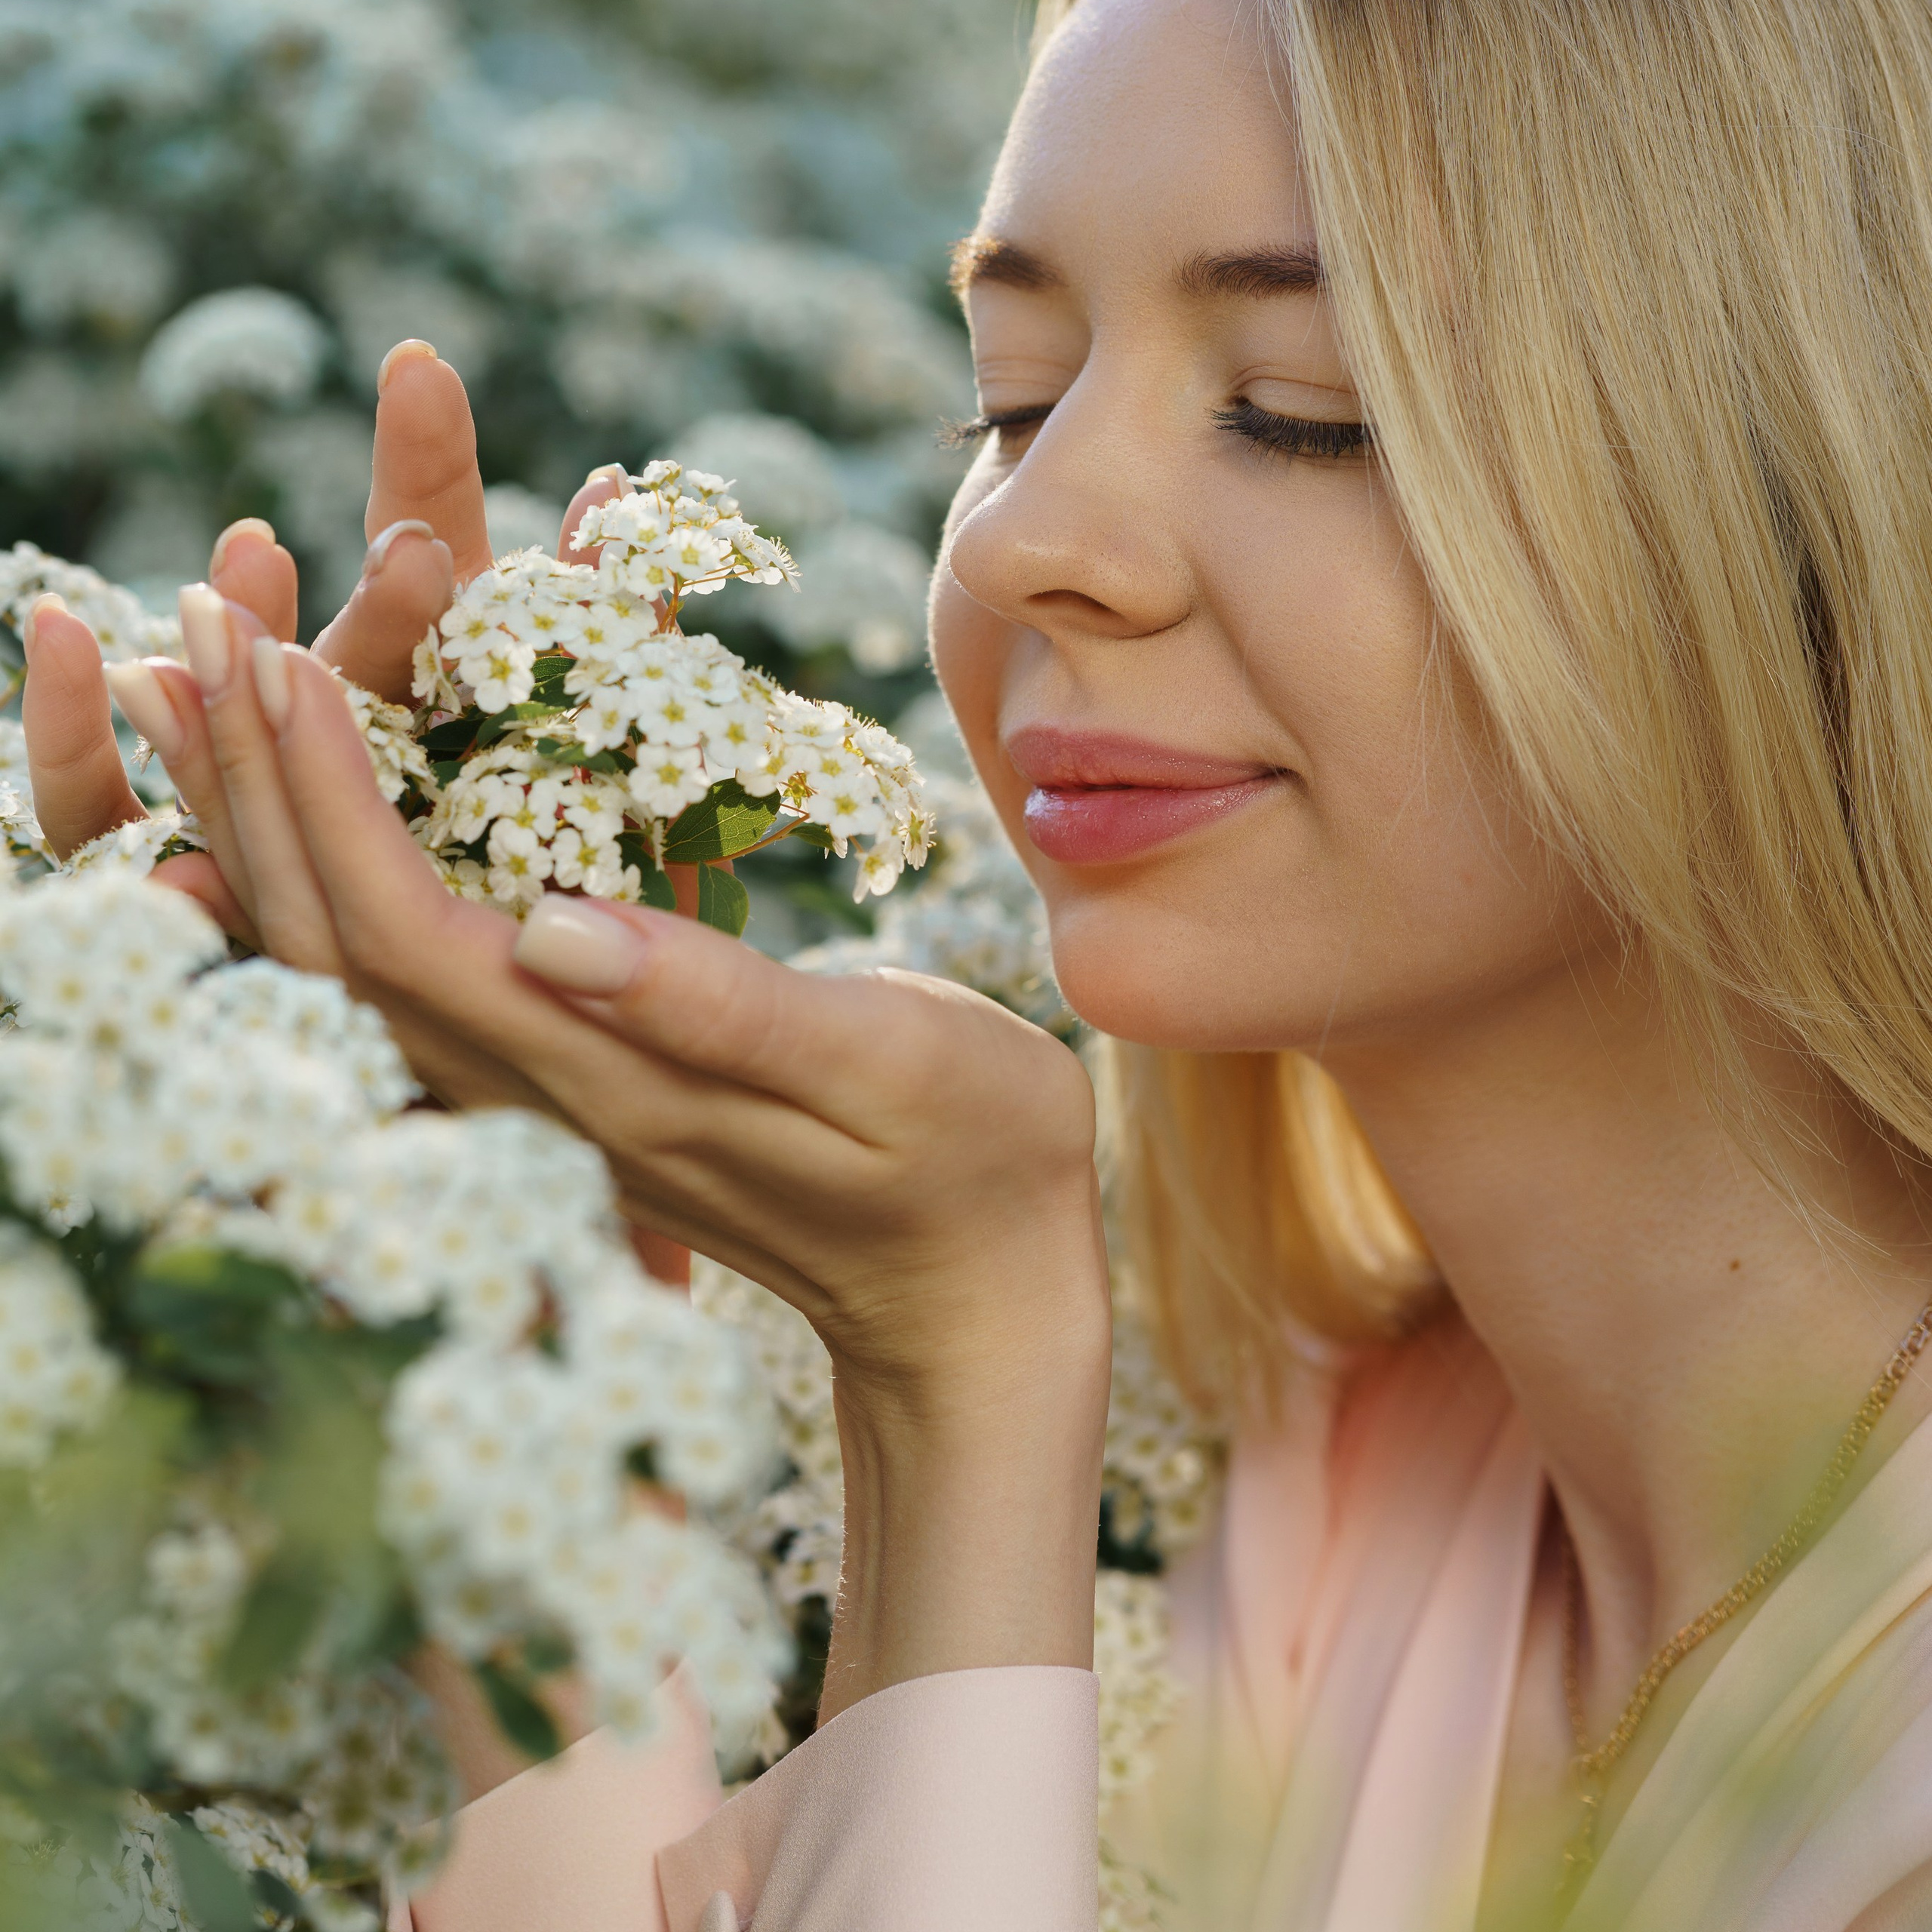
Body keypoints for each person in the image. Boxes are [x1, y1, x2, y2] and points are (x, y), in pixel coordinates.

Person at [26, 0, 1932, 1924]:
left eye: (1300, 404)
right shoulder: (1334, 1506)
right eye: (1012, 396)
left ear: (1791, 492)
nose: (1025, 534)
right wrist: (511, 1417)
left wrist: (954, 1376)